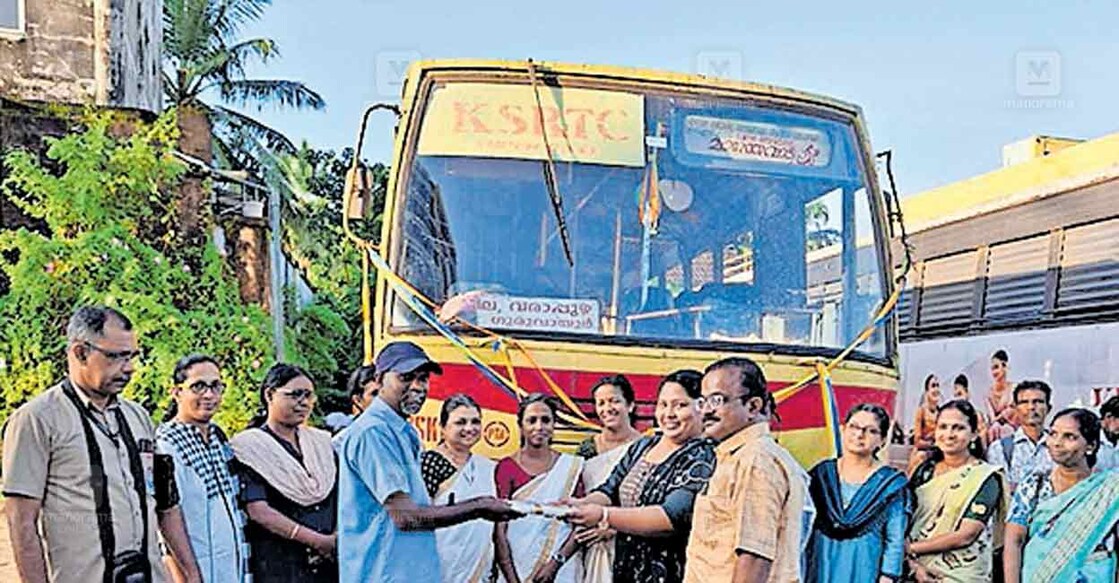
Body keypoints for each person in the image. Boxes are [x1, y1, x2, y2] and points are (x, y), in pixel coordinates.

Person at [2, 306, 199, 583]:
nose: (129, 368)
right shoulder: (37, 419)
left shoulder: (138, 417)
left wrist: (191, 574)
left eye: (132, 356)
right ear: (81, 353)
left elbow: (166, 502)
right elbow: (21, 523)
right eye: (117, 356)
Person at [335, 341, 520, 583]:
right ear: (379, 380)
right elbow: (406, 517)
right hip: (382, 573)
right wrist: (478, 507)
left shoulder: (404, 432)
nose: (417, 387)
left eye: (422, 378)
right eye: (406, 378)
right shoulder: (373, 432)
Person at [565, 370, 716, 583]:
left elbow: (670, 517)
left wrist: (604, 516)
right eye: (663, 405)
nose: (669, 414)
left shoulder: (702, 455)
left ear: (701, 407)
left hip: (672, 572)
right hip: (626, 568)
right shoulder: (644, 445)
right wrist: (577, 505)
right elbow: (610, 489)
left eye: (680, 405)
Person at [684, 357, 809, 583]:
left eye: (717, 400)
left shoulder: (756, 460)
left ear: (753, 406)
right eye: (702, 402)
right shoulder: (737, 456)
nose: (706, 412)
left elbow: (754, 555)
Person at [231, 363, 338, 581]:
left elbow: (343, 497)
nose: (304, 403)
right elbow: (259, 511)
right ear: (270, 395)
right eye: (295, 395)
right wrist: (317, 541)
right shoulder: (251, 447)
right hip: (281, 564)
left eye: (308, 395)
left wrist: (336, 538)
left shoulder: (321, 443)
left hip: (329, 564)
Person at [157, 354, 248, 582]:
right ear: (177, 392)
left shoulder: (219, 438)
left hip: (232, 568)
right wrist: (188, 575)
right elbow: (164, 519)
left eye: (216, 386)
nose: (209, 395)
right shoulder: (165, 445)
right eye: (198, 386)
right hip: (194, 572)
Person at [1004, 408, 1119, 583]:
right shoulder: (1034, 485)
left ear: (1091, 446)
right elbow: (1014, 541)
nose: (1057, 442)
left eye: (1069, 437)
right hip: (1039, 575)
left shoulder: (1110, 490)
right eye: (1053, 434)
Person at [805, 404, 909, 583]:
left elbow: (895, 539)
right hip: (821, 562)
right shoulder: (822, 475)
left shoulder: (889, 484)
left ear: (882, 440)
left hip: (865, 565)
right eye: (854, 427)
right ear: (843, 430)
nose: (859, 435)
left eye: (871, 431)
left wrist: (888, 577)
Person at [907, 399, 1008, 583]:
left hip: (962, 573)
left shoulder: (985, 477)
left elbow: (966, 535)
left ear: (974, 434)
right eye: (943, 427)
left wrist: (909, 549)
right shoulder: (924, 470)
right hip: (916, 569)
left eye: (958, 428)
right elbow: (906, 518)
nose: (949, 434)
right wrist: (913, 565)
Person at [495, 394, 586, 583]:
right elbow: (499, 531)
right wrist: (512, 579)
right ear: (521, 426)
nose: (539, 427)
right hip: (515, 569)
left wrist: (555, 563)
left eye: (546, 420)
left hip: (562, 570)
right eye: (531, 420)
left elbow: (581, 522)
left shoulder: (571, 467)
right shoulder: (506, 467)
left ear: (554, 425)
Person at [420, 394, 499, 583]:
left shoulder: (487, 467)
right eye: (460, 422)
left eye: (475, 422)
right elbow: (418, 517)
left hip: (478, 569)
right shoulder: (430, 463)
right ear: (443, 428)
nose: (469, 428)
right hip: (436, 568)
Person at [574, 374, 643, 582]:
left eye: (614, 401)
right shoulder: (587, 449)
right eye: (601, 403)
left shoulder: (646, 447)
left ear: (630, 405)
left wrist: (613, 529)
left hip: (633, 541)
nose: (607, 408)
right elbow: (579, 494)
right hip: (590, 542)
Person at [986, 380, 1053, 491]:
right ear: (1016, 409)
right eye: (1024, 402)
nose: (1031, 407)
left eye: (1038, 401)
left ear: (1048, 408)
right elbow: (1003, 490)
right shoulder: (1000, 448)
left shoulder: (1059, 446)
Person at [328, 364, 381, 437]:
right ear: (358, 400)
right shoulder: (347, 437)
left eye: (385, 392)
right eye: (375, 394)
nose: (382, 398)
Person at [952, 373, 990, 449]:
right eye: (955, 396)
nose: (958, 399)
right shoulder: (952, 417)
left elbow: (983, 432)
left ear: (967, 394)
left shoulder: (977, 414)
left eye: (960, 394)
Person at [986, 349, 1017, 442]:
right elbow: (991, 417)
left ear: (1004, 366)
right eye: (992, 368)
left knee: (1006, 430)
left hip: (1012, 428)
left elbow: (1012, 411)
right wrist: (995, 422)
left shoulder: (1014, 388)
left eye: (996, 367)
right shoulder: (989, 393)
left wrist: (999, 421)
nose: (994, 372)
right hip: (994, 429)